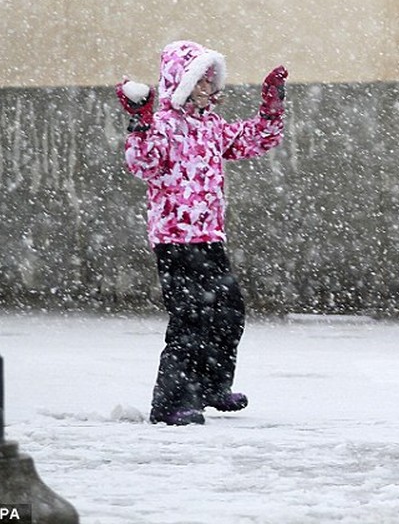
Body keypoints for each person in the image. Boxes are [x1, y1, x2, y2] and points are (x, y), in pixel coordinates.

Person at [118, 41, 287, 426]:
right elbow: (141, 163)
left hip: (209, 236)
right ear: (183, 83)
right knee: (190, 317)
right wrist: (141, 122)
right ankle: (171, 403)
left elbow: (255, 139)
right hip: (174, 240)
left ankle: (212, 386)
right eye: (203, 80)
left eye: (212, 79)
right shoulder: (163, 124)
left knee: (228, 312)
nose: (211, 87)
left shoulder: (210, 125)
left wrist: (271, 108)